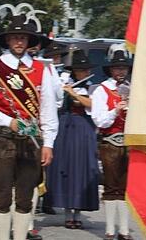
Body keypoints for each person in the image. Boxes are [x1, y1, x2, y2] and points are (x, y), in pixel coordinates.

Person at [0, 14, 59, 240]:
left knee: (26, 196)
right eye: (15, 38)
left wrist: (48, 143)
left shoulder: (43, 71)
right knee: (2, 195)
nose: (19, 42)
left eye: (23, 38)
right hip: (2, 139)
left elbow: (49, 109)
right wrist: (9, 121)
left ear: (29, 41)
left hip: (32, 141)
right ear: (8, 41)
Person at [46, 47, 99, 230]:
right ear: (74, 71)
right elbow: (55, 101)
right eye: (81, 70)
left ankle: (78, 213)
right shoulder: (64, 81)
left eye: (86, 70)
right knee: (66, 168)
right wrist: (63, 90)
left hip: (83, 128)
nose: (85, 73)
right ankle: (68, 213)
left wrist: (74, 93)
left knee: (83, 168)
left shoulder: (92, 86)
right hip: (66, 128)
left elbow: (91, 104)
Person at [90, 50, 134, 240]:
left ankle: (123, 230)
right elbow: (99, 120)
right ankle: (109, 230)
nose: (120, 71)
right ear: (111, 70)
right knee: (110, 186)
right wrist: (115, 111)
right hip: (110, 142)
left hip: (129, 143)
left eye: (123, 67)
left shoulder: (133, 89)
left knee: (125, 188)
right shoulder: (102, 90)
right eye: (117, 68)